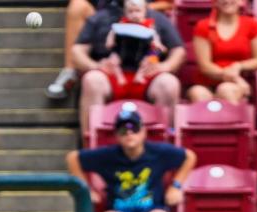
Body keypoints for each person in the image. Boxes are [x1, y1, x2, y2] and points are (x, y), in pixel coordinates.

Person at [71, 0, 184, 135]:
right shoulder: (100, 17)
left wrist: (165, 66)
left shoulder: (157, 18)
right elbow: (77, 50)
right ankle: (92, 141)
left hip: (147, 75)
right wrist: (96, 66)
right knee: (92, 80)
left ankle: (163, 140)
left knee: (169, 83)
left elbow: (178, 50)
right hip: (111, 75)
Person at [66, 109, 196, 212]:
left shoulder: (159, 152)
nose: (129, 133)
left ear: (144, 132)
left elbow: (189, 157)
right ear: (116, 135)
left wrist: (176, 186)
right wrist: (87, 190)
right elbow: (73, 158)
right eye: (123, 130)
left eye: (134, 128)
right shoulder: (107, 155)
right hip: (118, 211)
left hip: (152, 209)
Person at [45, 0, 172, 100]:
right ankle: (70, 72)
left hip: (142, 25)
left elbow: (169, 3)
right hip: (106, 20)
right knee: (78, 5)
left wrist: (139, 8)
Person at [187, 0, 257, 104]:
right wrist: (235, 78)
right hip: (207, 83)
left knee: (226, 90)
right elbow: (205, 66)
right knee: (198, 93)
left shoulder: (252, 25)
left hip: (237, 85)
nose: (227, 1)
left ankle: (233, 114)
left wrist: (239, 66)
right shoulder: (203, 26)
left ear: (242, 2)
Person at [101, 0, 165, 94]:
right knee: (114, 60)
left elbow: (154, 35)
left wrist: (158, 43)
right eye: (130, 11)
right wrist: (110, 40)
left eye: (138, 11)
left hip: (142, 52)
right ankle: (119, 77)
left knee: (150, 60)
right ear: (125, 12)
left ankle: (139, 75)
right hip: (123, 52)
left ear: (144, 11)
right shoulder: (123, 23)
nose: (134, 14)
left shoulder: (148, 24)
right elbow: (113, 31)